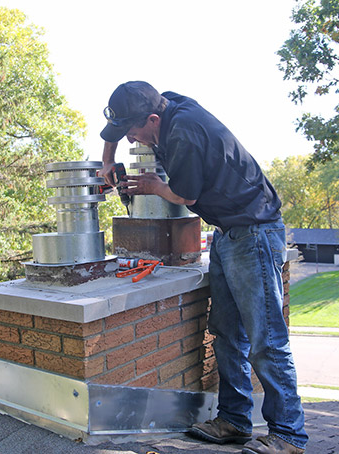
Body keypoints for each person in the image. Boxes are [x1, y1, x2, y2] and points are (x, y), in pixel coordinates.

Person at [99, 81, 308, 454]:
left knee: (266, 339)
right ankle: (234, 420)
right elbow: (119, 132)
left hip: (254, 233)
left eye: (133, 132)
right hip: (229, 233)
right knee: (227, 334)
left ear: (152, 118)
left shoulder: (185, 134)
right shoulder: (165, 106)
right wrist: (107, 159)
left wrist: (153, 186)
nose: (131, 140)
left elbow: (185, 196)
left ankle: (289, 436)